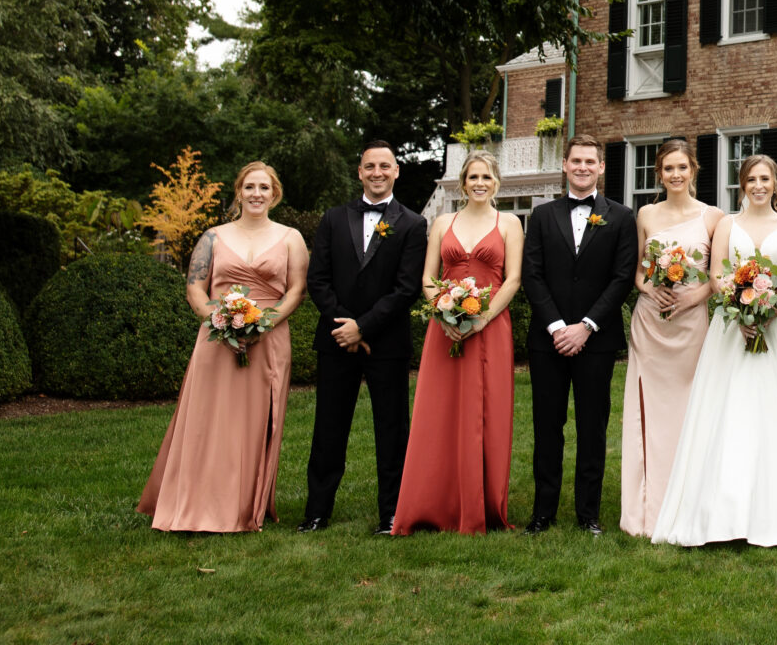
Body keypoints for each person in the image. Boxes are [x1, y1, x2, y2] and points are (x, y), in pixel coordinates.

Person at [652, 155, 777, 546]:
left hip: (776, 330)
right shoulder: (727, 224)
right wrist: (741, 310)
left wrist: (770, 306)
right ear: (741, 184)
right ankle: (721, 512)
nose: (758, 185)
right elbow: (717, 273)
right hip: (731, 332)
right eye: (751, 179)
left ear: (776, 183)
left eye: (765, 179)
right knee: (729, 410)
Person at [141, 162, 310, 533]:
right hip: (217, 339)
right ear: (238, 191)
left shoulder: (291, 238)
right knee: (208, 421)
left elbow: (296, 290)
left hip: (268, 339)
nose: (256, 194)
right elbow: (195, 289)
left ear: (275, 194)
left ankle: (243, 506)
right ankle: (194, 503)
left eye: (264, 188)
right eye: (249, 187)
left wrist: (262, 324)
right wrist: (219, 322)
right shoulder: (213, 237)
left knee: (253, 423)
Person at [391, 150, 524, 534]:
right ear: (462, 182)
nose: (479, 183)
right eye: (472, 177)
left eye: (486, 177)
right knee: (439, 412)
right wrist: (444, 311)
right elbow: (429, 277)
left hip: (491, 327)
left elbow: (512, 279)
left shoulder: (509, 223)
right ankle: (433, 501)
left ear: (495, 181)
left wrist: (480, 318)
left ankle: (481, 505)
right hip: (445, 328)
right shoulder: (443, 222)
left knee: (487, 412)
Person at [302, 141, 429, 534]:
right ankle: (318, 511)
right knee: (328, 428)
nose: (377, 172)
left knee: (391, 430)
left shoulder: (411, 223)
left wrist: (365, 327)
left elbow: (407, 288)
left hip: (386, 342)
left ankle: (392, 512)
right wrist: (346, 327)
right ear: (359, 172)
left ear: (396, 171)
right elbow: (317, 279)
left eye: (385, 166)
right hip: (337, 339)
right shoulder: (333, 219)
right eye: (369, 166)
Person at [522, 135, 637, 535]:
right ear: (566, 166)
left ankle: (588, 513)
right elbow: (532, 274)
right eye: (576, 161)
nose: (583, 167)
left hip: (596, 340)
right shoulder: (541, 215)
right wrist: (557, 326)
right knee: (547, 426)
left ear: (602, 167)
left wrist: (586, 326)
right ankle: (542, 512)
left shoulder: (621, 217)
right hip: (547, 339)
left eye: (591, 161)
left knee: (592, 426)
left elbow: (622, 278)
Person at [619, 138, 723, 537]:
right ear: (659, 173)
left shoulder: (713, 218)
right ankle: (647, 508)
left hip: (692, 324)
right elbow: (640, 273)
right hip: (652, 325)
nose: (675, 175)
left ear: (693, 169)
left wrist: (693, 298)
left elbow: (718, 275)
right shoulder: (645, 214)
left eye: (682, 168)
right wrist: (648, 290)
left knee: (690, 410)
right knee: (649, 414)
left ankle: (691, 501)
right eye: (668, 169)